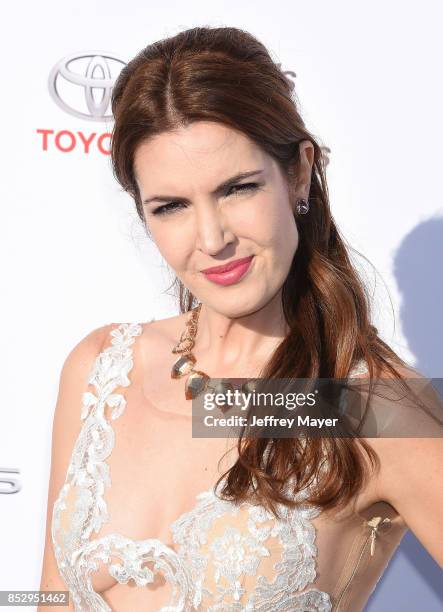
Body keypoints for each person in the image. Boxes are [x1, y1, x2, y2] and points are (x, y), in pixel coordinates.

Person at [38, 25, 443, 611]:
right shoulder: (101, 368)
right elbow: (53, 599)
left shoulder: (368, 405)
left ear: (298, 173)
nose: (211, 239)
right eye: (171, 206)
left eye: (238, 189)